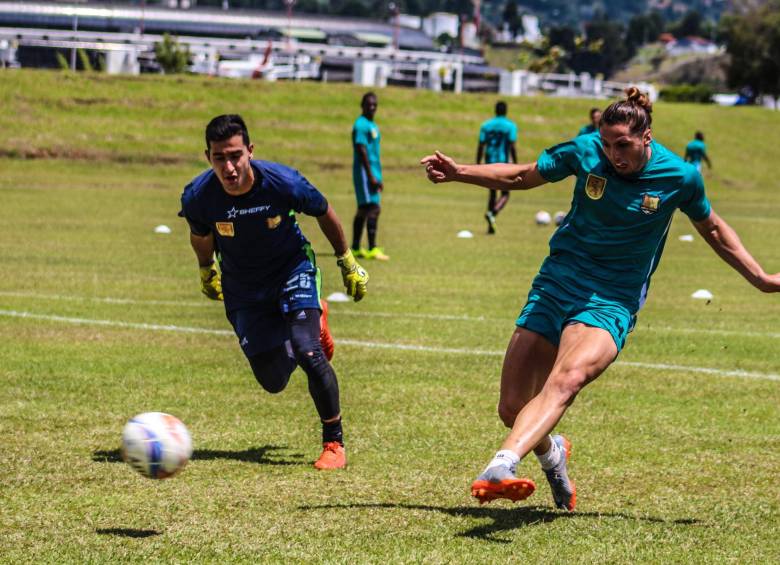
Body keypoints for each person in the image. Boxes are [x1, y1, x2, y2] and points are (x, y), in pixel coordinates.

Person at [421, 88, 779, 511]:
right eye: (607, 144)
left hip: (614, 297)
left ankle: (500, 466)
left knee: (567, 378)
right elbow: (522, 175)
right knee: (513, 406)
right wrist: (459, 171)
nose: (613, 155)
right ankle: (553, 454)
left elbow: (714, 229)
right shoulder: (584, 151)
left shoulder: (679, 177)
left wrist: (760, 277)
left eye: (623, 145)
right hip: (556, 282)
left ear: (647, 137)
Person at [180, 114, 369, 470]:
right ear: (208, 157)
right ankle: (317, 321)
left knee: (308, 350)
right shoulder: (198, 196)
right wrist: (206, 269)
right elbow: (200, 235)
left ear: (250, 151)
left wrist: (346, 260)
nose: (229, 166)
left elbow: (324, 211)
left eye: (235, 155)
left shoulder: (283, 182)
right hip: (243, 287)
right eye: (220, 157)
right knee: (272, 380)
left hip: (291, 270)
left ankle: (334, 443)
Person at [351, 92, 389, 261]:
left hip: (373, 170)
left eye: (375, 105)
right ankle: (372, 248)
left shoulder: (371, 124)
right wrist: (371, 176)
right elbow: (361, 149)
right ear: (362, 105)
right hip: (365, 172)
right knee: (373, 208)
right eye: (369, 104)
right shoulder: (361, 125)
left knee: (363, 210)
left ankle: (355, 247)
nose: (372, 107)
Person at [477, 101, 518, 234]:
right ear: (506, 111)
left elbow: (481, 145)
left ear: (495, 110)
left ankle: (490, 225)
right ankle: (492, 213)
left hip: (489, 163)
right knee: (505, 193)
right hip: (503, 165)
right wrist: (516, 164)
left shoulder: (486, 125)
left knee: (492, 193)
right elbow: (512, 146)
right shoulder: (510, 126)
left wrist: (477, 164)